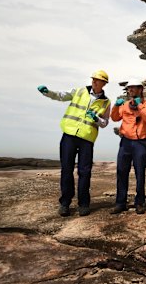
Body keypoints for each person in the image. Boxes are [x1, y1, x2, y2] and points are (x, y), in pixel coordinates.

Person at [37, 70, 111, 217]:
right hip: (69, 135)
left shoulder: (106, 102)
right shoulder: (79, 91)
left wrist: (96, 118)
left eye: (98, 80)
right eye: (93, 79)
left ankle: (83, 204)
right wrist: (47, 92)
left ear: (104, 83)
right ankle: (65, 203)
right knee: (66, 170)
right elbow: (61, 95)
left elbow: (105, 123)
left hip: (87, 139)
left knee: (85, 172)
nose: (94, 81)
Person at [110, 79, 146, 214]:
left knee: (140, 173)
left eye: (133, 88)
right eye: (129, 88)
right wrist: (115, 106)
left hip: (140, 143)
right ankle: (120, 203)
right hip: (125, 142)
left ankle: (140, 202)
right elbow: (115, 118)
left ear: (140, 89)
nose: (130, 90)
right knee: (121, 172)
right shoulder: (124, 105)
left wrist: (139, 106)